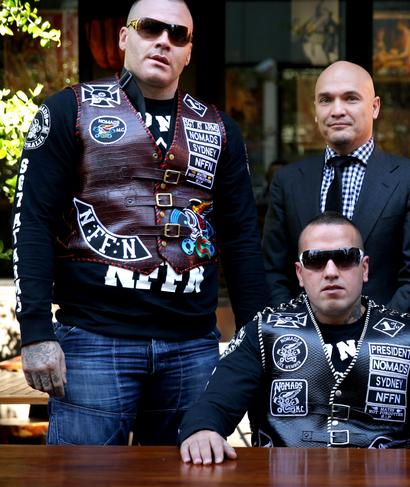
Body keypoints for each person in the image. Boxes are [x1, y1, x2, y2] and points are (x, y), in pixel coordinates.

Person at [11, 0, 268, 445]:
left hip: (193, 345)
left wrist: (255, 341)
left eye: (178, 34)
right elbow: (32, 222)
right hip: (93, 339)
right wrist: (36, 332)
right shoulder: (68, 110)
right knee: (82, 480)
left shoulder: (221, 128)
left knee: (190, 477)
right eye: (150, 28)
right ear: (124, 37)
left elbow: (242, 239)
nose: (164, 40)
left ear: (189, 52)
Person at [179, 212, 410, 466]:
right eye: (316, 260)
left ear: (364, 268)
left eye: (344, 258)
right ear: (300, 274)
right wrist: (203, 431)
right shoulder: (264, 332)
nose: (330, 271)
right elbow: (214, 406)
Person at [263, 60, 410, 316]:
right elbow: (274, 270)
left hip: (385, 341)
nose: (337, 110)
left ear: (375, 107)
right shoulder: (288, 181)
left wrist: (380, 334)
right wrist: (294, 328)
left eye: (351, 98)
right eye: (326, 100)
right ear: (315, 110)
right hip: (305, 342)